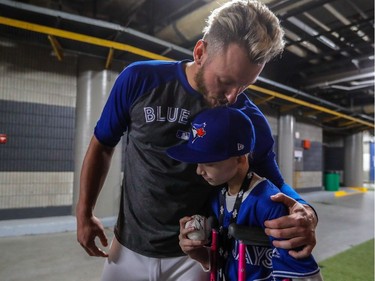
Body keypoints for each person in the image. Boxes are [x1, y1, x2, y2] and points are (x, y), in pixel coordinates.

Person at [76, 1, 318, 280]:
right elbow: (102, 145)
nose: (232, 97)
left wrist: (306, 210)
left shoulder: (247, 119)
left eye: (244, 86)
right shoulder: (140, 80)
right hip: (128, 247)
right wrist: (84, 212)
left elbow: (272, 179)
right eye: (226, 81)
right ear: (200, 52)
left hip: (197, 255)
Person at [167, 106, 323, 281]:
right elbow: (226, 261)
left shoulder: (269, 203)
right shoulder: (217, 197)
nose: (199, 171)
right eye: (197, 163)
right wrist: (198, 253)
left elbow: (303, 274)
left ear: (240, 159)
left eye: (209, 163)